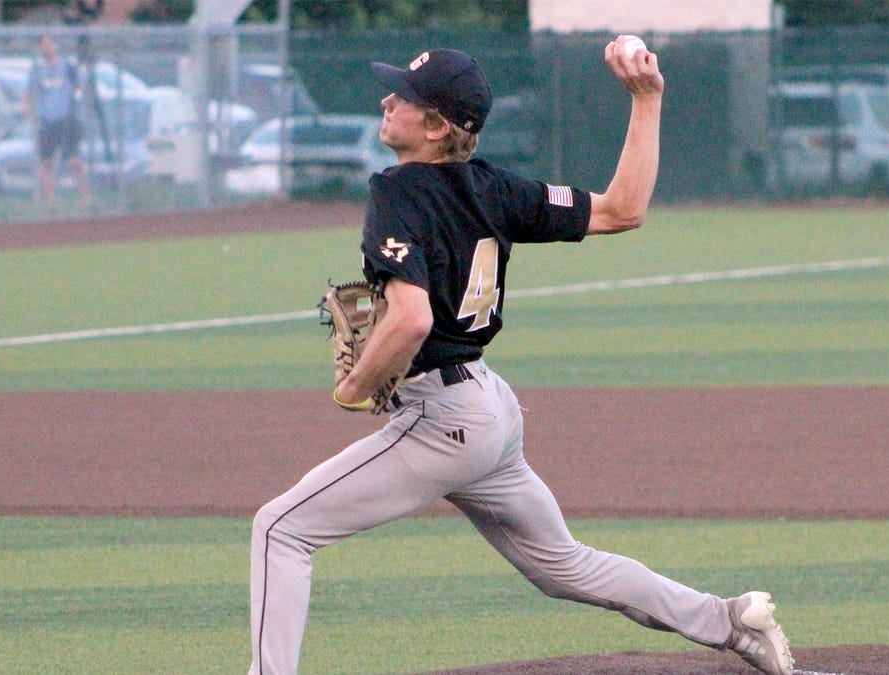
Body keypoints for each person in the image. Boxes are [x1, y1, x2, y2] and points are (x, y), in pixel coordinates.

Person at [249, 36, 794, 675]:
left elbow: (412, 319)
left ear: (435, 126)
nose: (387, 99)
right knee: (564, 565)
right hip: (487, 410)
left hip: (442, 419)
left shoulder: (397, 191)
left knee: (280, 530)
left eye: (405, 95)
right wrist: (646, 101)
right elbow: (624, 210)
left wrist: (356, 388)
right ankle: (729, 621)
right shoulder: (494, 188)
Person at [24, 34, 92, 209]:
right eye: (43, 45)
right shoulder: (37, 71)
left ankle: (87, 200)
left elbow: (82, 86)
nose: (46, 48)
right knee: (46, 164)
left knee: (75, 162)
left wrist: (78, 98)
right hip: (47, 123)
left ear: (56, 45)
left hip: (67, 121)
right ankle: (50, 204)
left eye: (50, 44)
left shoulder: (68, 67)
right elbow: (27, 96)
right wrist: (32, 118)